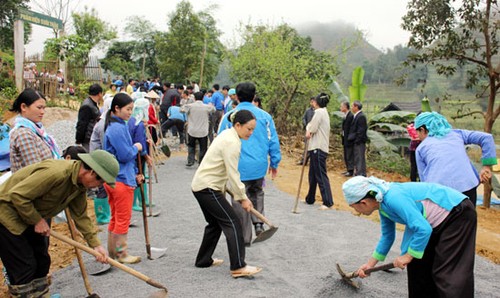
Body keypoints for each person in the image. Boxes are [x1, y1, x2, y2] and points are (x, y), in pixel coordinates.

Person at [0, 150, 117, 297]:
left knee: (42, 261)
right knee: (24, 266)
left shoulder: (79, 185)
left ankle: (41, 295)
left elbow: (81, 216)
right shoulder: (56, 173)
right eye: (100, 182)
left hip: (34, 215)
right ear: (92, 172)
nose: (97, 187)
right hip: (7, 215)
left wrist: (96, 245)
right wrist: (36, 220)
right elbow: (17, 195)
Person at [342, 175, 477, 298]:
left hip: (457, 213)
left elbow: (423, 229)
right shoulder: (382, 205)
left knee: (447, 271)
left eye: (354, 207)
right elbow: (387, 237)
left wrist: (407, 256)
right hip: (432, 222)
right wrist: (370, 265)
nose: (356, 211)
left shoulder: (393, 198)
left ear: (363, 202)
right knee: (418, 265)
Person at [192, 109, 262, 278]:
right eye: (249, 129)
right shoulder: (232, 142)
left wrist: (239, 195)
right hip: (208, 188)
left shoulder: (227, 135)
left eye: (253, 129)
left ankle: (203, 260)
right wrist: (243, 198)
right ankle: (238, 266)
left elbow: (226, 174)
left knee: (215, 224)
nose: (251, 133)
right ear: (237, 125)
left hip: (202, 186)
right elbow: (233, 174)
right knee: (233, 222)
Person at [219, 82, 281, 244]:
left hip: (238, 167)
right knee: (257, 192)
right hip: (259, 166)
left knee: (240, 199)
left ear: (237, 97)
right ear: (254, 96)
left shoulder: (230, 117)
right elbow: (273, 141)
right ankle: (258, 223)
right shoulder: (265, 116)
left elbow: (220, 142)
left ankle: (244, 236)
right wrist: (274, 163)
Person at [414, 112, 496, 206]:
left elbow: (425, 181)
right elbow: (486, 137)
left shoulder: (421, 148)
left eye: (417, 132)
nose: (418, 136)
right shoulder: (457, 134)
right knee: (468, 219)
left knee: (444, 220)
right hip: (468, 188)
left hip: (440, 194)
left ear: (422, 129)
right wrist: (486, 167)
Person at [103, 93, 143, 264]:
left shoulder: (114, 126)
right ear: (116, 109)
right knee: (123, 219)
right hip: (121, 179)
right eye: (128, 109)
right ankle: (121, 254)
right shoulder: (117, 129)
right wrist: (137, 147)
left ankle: (112, 252)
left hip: (112, 178)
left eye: (132, 110)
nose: (130, 113)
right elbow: (125, 154)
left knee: (115, 217)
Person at [9, 89, 61, 173]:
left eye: (44, 108)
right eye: (39, 108)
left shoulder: (36, 131)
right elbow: (36, 172)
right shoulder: (23, 134)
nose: (42, 112)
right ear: (23, 107)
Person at [304, 93, 334, 210]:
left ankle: (328, 201)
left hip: (318, 147)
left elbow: (312, 127)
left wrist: (308, 129)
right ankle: (310, 198)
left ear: (317, 102)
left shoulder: (319, 112)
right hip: (316, 147)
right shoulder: (324, 112)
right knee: (312, 174)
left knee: (320, 175)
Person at [182, 91, 215, 166]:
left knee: (191, 146)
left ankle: (190, 160)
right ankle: (201, 161)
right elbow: (214, 109)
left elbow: (181, 110)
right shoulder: (207, 107)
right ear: (203, 98)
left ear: (194, 98)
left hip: (192, 130)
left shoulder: (190, 106)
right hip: (203, 131)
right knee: (203, 148)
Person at [76, 83, 103, 151]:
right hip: (88, 139)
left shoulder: (92, 104)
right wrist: (78, 139)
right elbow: (82, 124)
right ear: (99, 94)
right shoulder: (87, 106)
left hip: (91, 137)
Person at [348, 100, 368, 176]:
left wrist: (357, 140)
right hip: (357, 141)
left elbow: (361, 130)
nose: (352, 108)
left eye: (352, 106)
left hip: (359, 142)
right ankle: (359, 173)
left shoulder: (361, 116)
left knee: (359, 158)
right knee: (357, 158)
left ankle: (361, 174)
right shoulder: (356, 116)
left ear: (356, 107)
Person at [297, 97, 315, 165]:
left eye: (313, 102)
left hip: (314, 131)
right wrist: (305, 124)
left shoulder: (317, 111)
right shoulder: (308, 110)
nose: (312, 103)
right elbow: (303, 118)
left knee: (312, 147)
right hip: (307, 130)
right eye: (311, 102)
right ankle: (303, 161)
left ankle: (312, 162)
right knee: (306, 147)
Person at [340, 101, 354, 176]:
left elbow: (351, 129)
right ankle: (348, 169)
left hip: (349, 139)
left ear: (345, 107)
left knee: (349, 155)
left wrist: (349, 138)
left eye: (341, 106)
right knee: (346, 154)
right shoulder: (345, 115)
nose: (340, 108)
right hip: (344, 138)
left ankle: (351, 170)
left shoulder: (350, 116)